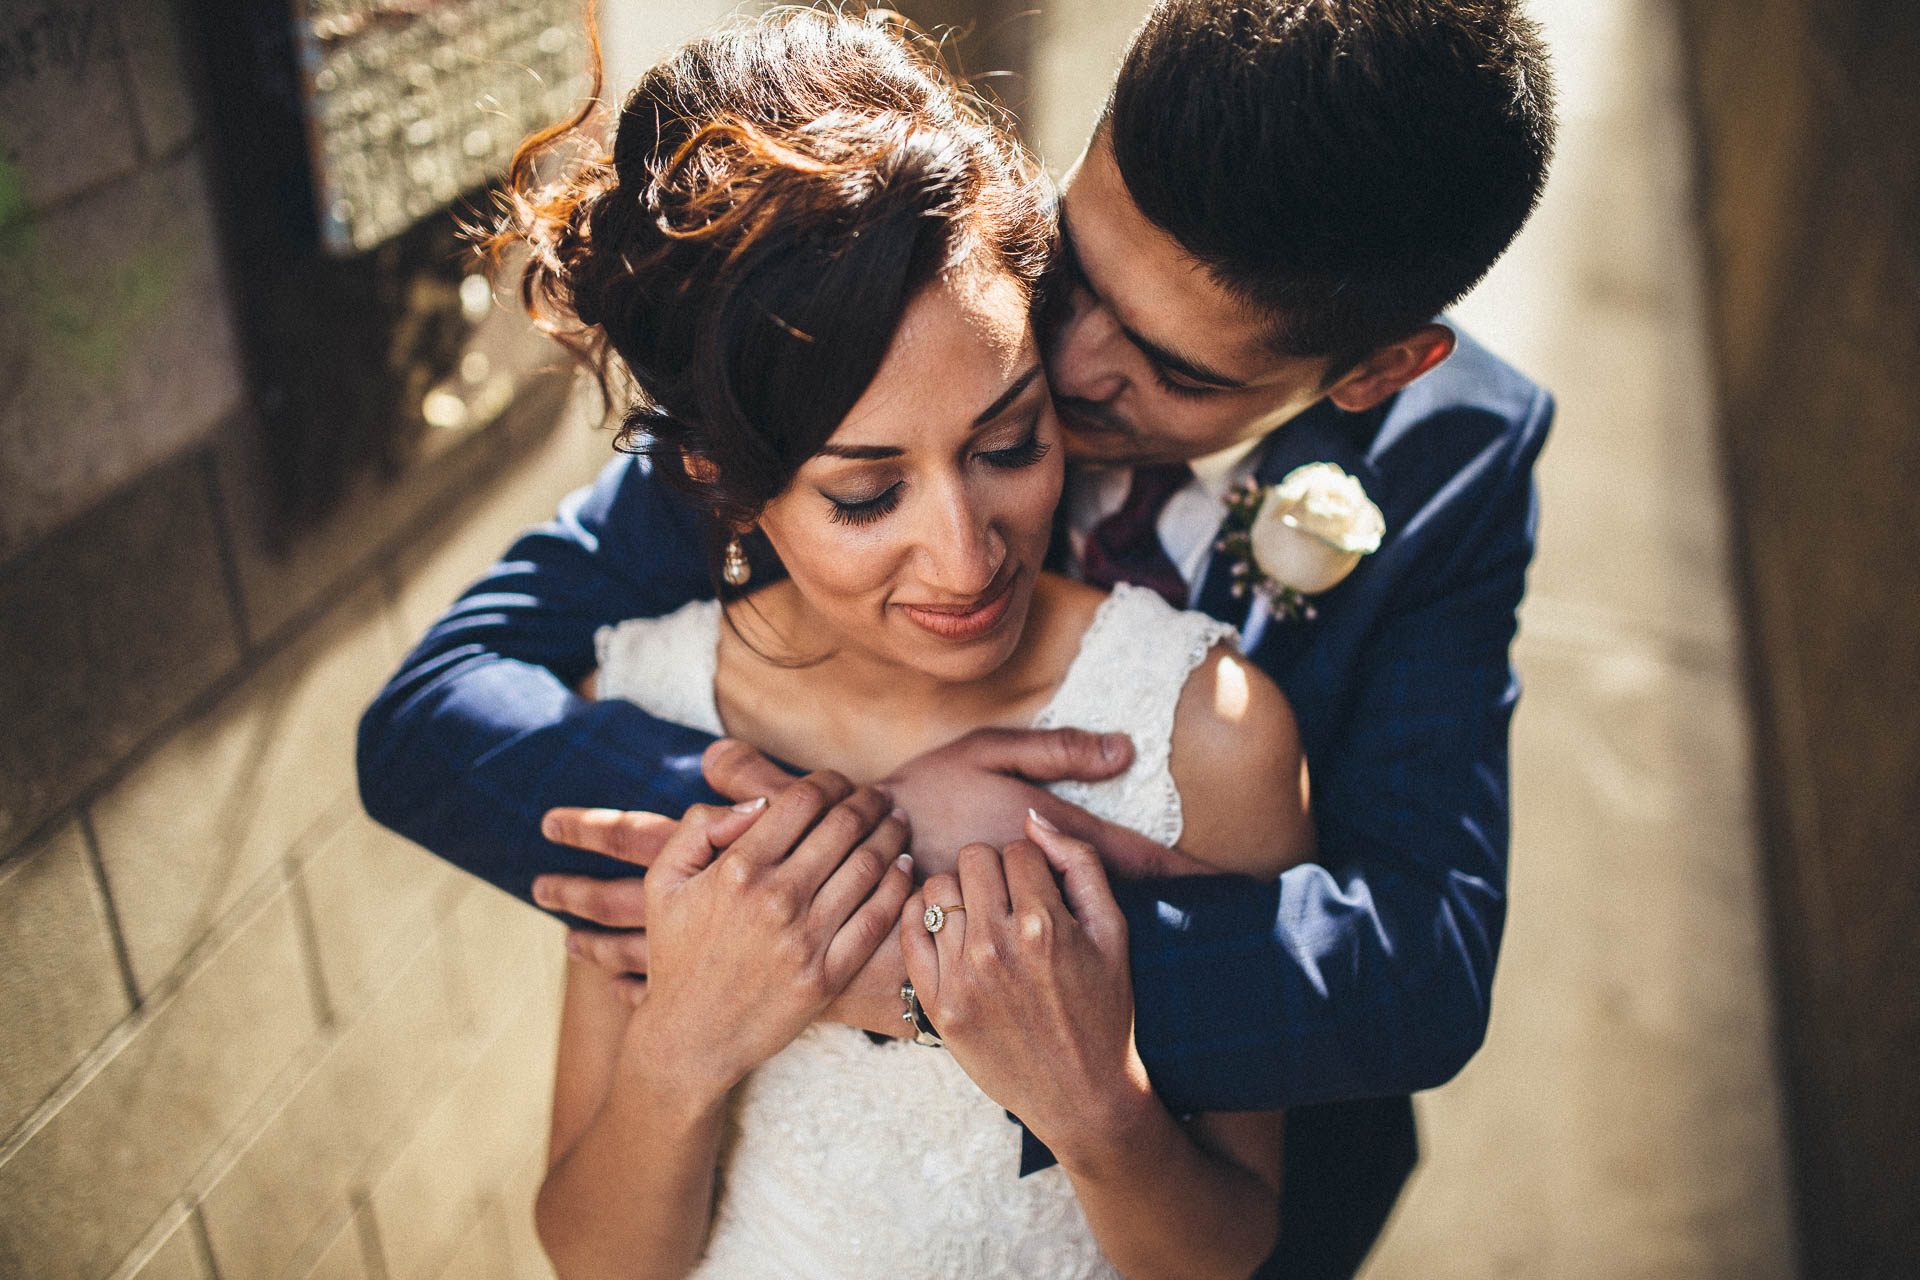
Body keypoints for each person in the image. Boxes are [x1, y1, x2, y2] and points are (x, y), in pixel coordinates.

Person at [357, 2, 1556, 1275]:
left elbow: (1414, 968)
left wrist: (925, 952)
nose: (1069, 356)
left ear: (1374, 372)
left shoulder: (1455, 462)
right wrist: (808, 846)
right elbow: (434, 720)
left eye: (1175, 370)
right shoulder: (900, 299)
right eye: (1081, 267)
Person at [512, 20, 1320, 1275]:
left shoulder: (1205, 733)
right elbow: (597, 1257)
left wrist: (1098, 1108)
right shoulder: (647, 697)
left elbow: (1231, 1247)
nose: (966, 555)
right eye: (865, 494)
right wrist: (686, 1044)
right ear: (730, 483)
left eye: (1007, 446)